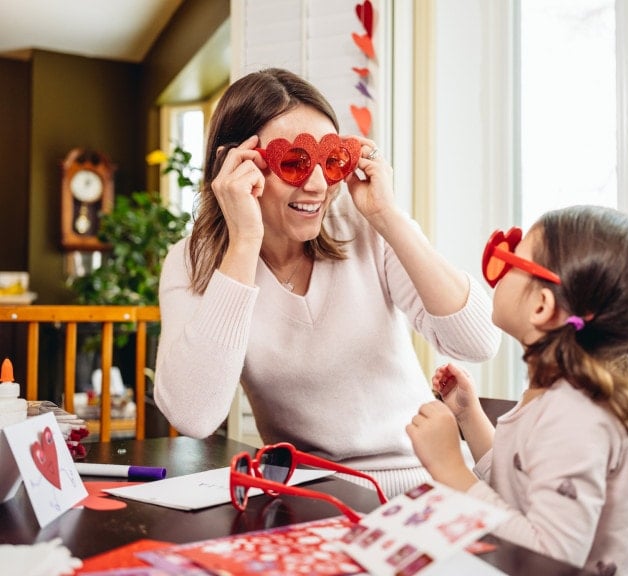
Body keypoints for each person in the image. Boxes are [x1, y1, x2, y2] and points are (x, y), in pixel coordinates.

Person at [153, 68, 501, 497]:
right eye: (294, 162)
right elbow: (193, 415)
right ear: (235, 165)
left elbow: (478, 343)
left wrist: (388, 217)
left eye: (331, 161)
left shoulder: (367, 227)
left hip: (429, 481)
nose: (318, 185)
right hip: (313, 497)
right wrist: (243, 242)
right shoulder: (194, 262)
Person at [406, 205, 628, 574]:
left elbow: (551, 556)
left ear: (541, 305)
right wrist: (468, 417)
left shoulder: (576, 416)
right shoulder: (556, 393)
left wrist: (451, 469)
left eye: (513, 259)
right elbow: (516, 481)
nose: (500, 270)